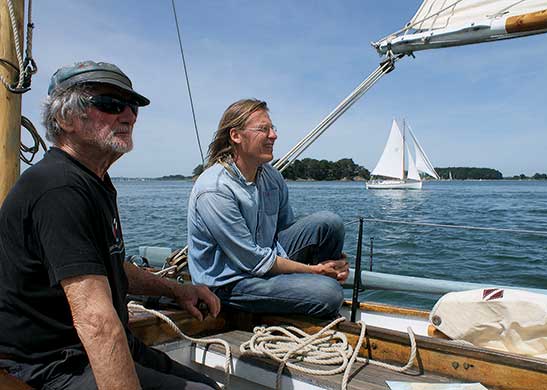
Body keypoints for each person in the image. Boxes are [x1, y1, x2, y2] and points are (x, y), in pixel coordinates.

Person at [0, 61, 220, 389]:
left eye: (132, 106)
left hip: (91, 350)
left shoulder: (94, 181)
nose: (128, 115)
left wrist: (177, 289)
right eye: (110, 104)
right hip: (52, 363)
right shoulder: (59, 189)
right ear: (64, 118)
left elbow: (110, 266)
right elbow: (96, 321)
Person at [187, 98, 349, 319]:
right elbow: (252, 260)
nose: (273, 135)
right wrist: (315, 271)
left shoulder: (271, 176)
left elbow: (285, 229)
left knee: (329, 224)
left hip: (266, 257)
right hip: (230, 282)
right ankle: (315, 290)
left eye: (273, 128)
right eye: (264, 129)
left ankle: (316, 284)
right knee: (329, 293)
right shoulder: (214, 190)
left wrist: (335, 261)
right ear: (236, 136)